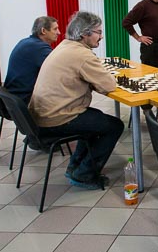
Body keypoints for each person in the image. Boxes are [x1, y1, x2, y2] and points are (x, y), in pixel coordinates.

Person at [29, 11, 124, 190]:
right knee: (114, 126)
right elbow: (109, 85)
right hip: (57, 117)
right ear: (84, 34)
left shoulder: (64, 46)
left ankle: (75, 167)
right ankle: (84, 174)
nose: (101, 37)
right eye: (98, 32)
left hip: (43, 114)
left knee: (94, 119)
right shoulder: (83, 55)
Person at [4, 16, 59, 103]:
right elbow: (60, 68)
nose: (58, 32)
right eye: (55, 29)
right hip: (24, 98)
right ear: (43, 31)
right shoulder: (38, 47)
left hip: (14, 96)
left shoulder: (27, 42)